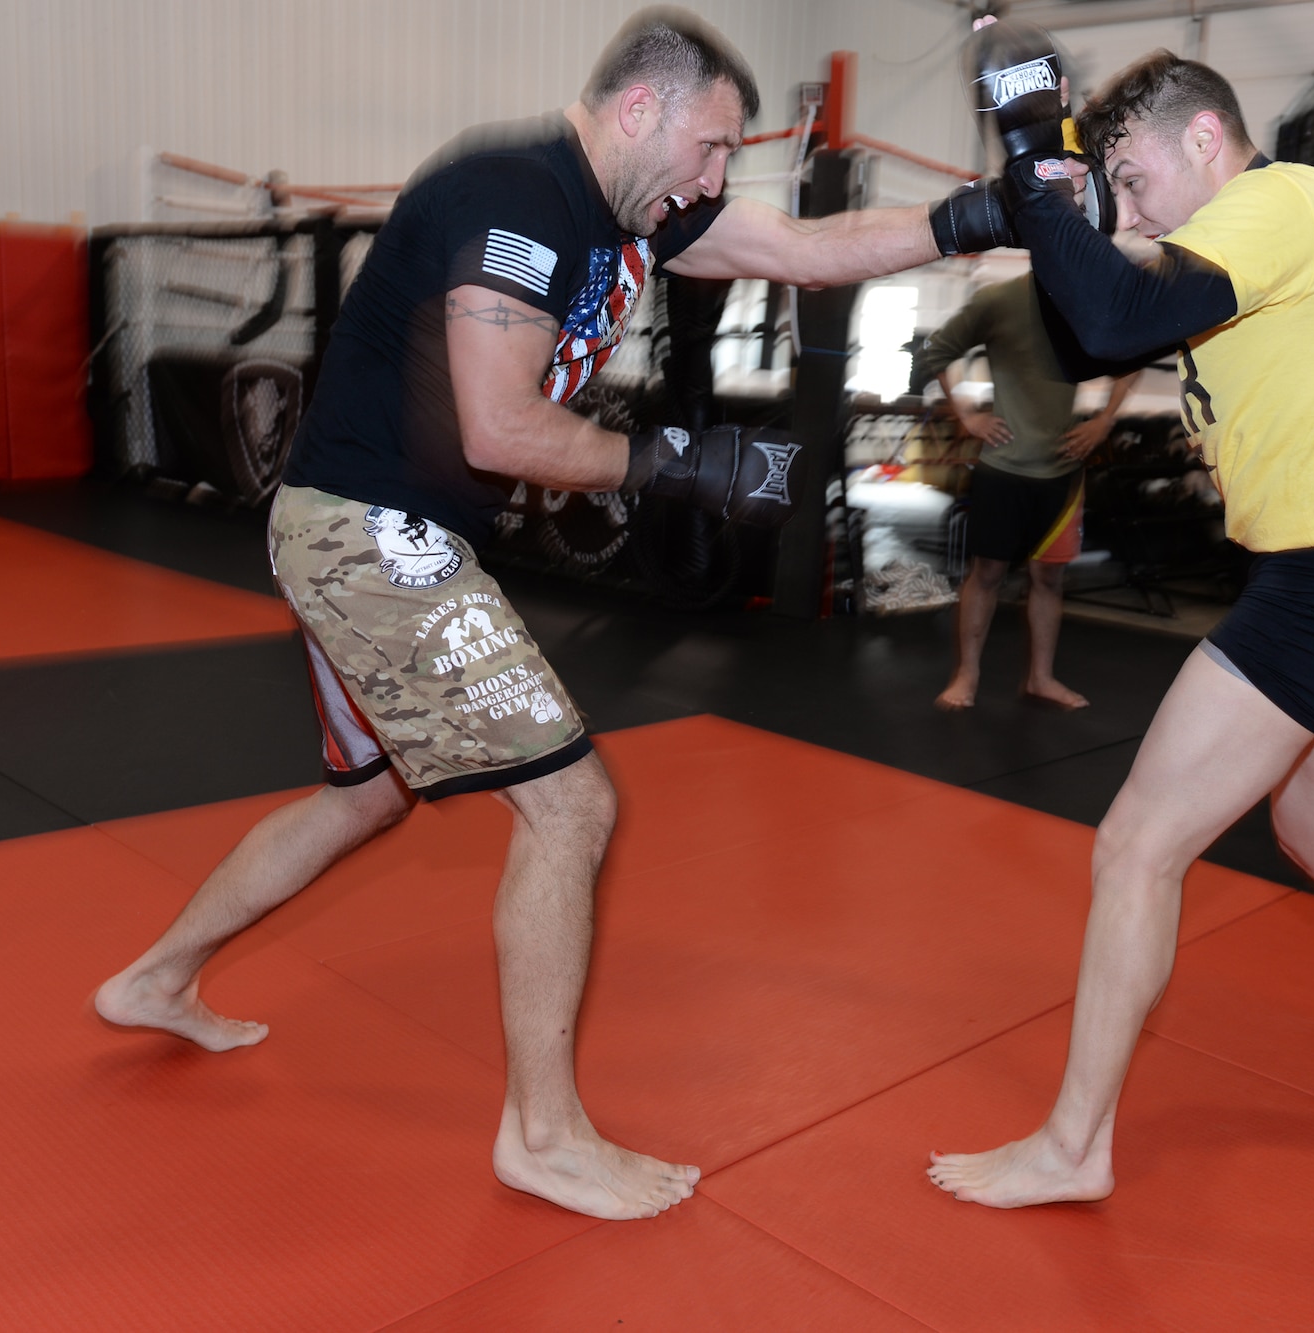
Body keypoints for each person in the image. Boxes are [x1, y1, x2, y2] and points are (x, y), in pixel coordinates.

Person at [96, 7, 1014, 1222]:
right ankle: (542, 1134)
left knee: (365, 794)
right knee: (571, 802)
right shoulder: (516, 197)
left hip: (383, 532)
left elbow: (805, 247)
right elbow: (500, 427)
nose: (713, 176)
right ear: (641, 109)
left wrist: (975, 219)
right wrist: (679, 465)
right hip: (369, 533)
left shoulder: (639, 207)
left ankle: (157, 978)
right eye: (709, 146)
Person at [928, 41, 1314, 1210]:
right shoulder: (1258, 241)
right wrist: (1054, 203)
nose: (1130, 207)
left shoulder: (1278, 200)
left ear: (1204, 139)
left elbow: (1112, 313)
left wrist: (1041, 172)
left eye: (1134, 177)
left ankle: (1072, 1146)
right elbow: (1100, 320)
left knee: (1134, 846)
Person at [921, 273, 1138, 711]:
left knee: (1049, 578)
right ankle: (967, 675)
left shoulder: (1087, 296)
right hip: (1003, 467)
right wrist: (967, 415)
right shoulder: (1001, 300)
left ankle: (1041, 677)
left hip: (1062, 470)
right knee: (987, 574)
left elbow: (1133, 357)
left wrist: (1103, 420)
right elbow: (937, 351)